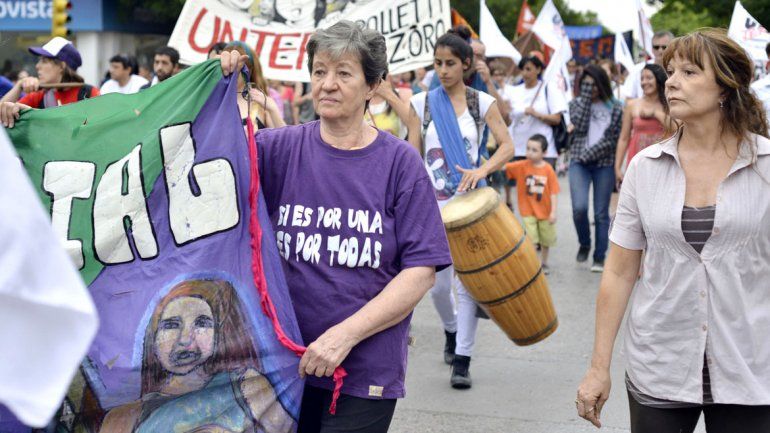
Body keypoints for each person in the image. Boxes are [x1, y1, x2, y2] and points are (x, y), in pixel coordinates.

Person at [220, 20, 452, 432]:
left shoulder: (401, 166)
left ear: (373, 86)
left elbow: (419, 273)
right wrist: (216, 89)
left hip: (363, 374)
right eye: (320, 71)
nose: (327, 84)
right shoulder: (278, 148)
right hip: (281, 366)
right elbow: (207, 167)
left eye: (344, 73)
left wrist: (343, 337)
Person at [577, 28, 770, 433]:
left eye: (689, 71)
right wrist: (598, 367)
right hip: (660, 364)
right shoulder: (645, 168)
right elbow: (618, 271)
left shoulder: (766, 165)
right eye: (670, 71)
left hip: (752, 368)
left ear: (725, 87)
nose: (672, 81)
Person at [407, 28, 515, 389]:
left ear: (467, 64)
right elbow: (411, 155)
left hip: (471, 207)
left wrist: (483, 169)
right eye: (438, 63)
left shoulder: (481, 104)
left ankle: (463, 360)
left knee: (468, 287)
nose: (443, 70)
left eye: (450, 63)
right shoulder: (421, 104)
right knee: (437, 287)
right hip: (431, 209)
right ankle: (451, 331)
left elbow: (507, 146)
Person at [99, 278, 293, 432]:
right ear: (153, 338)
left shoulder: (247, 386)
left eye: (202, 323)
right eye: (171, 325)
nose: (185, 339)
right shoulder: (124, 416)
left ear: (219, 332)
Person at [567, 65, 623, 272]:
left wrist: (587, 155)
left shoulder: (616, 107)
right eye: (586, 85)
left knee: (601, 213)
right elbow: (579, 126)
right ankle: (584, 243)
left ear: (602, 84)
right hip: (579, 164)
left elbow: (612, 140)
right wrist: (586, 97)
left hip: (603, 163)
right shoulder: (575, 104)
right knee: (579, 208)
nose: (591, 89)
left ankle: (599, 256)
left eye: (594, 85)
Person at [1, 37, 100, 127]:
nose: (37, 66)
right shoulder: (40, 95)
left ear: (61, 66)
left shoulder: (89, 93)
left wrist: (33, 113)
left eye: (44, 61)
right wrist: (19, 86)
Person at [504, 134, 560, 273]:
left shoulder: (548, 170)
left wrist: (553, 212)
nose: (529, 152)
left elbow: (553, 192)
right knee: (531, 240)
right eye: (528, 148)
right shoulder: (522, 166)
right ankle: (534, 265)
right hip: (527, 211)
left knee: (546, 241)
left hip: (545, 213)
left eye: (534, 150)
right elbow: (504, 167)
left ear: (544, 152)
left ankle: (544, 263)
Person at [504, 55, 568, 167]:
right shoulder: (513, 91)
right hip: (519, 149)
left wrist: (536, 114)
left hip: (543, 151)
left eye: (528, 69)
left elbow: (556, 119)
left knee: (540, 184)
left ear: (538, 70)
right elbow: (507, 116)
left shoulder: (548, 89)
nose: (524, 73)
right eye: (522, 69)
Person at [615, 64, 669, 181]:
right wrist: (618, 167)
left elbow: (676, 128)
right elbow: (624, 138)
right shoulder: (632, 105)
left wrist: (656, 114)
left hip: (662, 162)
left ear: (658, 79)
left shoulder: (669, 104)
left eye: (649, 78)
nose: (644, 82)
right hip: (637, 160)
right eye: (642, 79)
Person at [224, 42, 285, 131]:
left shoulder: (261, 102)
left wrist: (273, 109)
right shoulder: (214, 99)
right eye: (229, 66)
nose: (233, 72)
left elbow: (285, 139)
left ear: (250, 69)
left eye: (239, 67)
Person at [622, 30, 674, 100]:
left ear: (672, 48)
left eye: (664, 47)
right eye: (656, 47)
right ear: (652, 49)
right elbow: (628, 97)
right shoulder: (637, 69)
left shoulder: (679, 69)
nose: (660, 50)